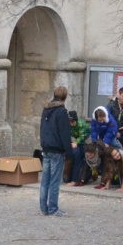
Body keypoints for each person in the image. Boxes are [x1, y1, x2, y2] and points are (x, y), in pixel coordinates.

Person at [38, 86, 71, 216]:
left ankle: (44, 207)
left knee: (45, 180)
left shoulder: (46, 109)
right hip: (56, 149)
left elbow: (42, 129)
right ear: (65, 97)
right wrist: (69, 152)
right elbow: (64, 134)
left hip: (46, 147)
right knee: (54, 181)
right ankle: (53, 208)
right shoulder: (61, 112)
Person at [67, 110, 91, 186]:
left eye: (73, 122)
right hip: (76, 135)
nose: (71, 123)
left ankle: (79, 177)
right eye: (70, 122)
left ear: (76, 120)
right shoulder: (69, 124)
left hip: (85, 135)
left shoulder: (80, 124)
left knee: (80, 152)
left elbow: (82, 136)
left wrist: (76, 143)